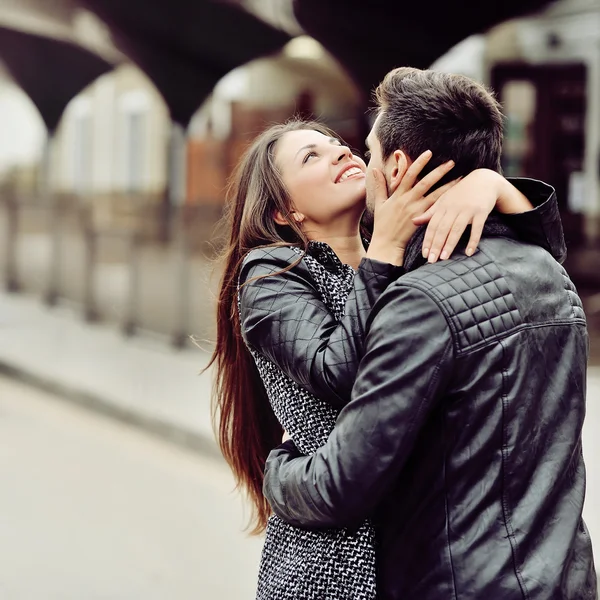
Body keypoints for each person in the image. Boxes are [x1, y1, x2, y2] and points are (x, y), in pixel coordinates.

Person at [261, 68, 597, 600]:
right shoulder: (549, 272)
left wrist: (277, 468)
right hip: (564, 582)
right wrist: (491, 181)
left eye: (366, 152)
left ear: (396, 166)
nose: (355, 162)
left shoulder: (418, 301)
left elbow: (341, 486)